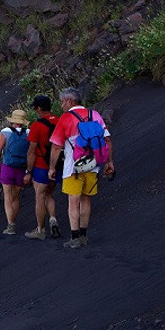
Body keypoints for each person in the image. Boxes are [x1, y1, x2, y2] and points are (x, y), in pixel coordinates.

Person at [48, 87, 115, 249]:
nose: (62, 105)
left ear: (70, 101)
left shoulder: (65, 119)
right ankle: (84, 235)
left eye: (63, 101)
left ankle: (75, 237)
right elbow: (107, 141)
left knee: (73, 202)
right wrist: (109, 162)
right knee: (86, 199)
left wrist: (51, 167)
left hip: (73, 167)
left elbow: (56, 147)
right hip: (93, 165)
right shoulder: (95, 115)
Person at [0, 109, 30, 235]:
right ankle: (13, 222)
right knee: (16, 198)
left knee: (7, 197)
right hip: (21, 168)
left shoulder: (5, 132)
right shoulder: (28, 132)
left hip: (7, 167)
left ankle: (10, 225)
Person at [23, 95, 62, 240]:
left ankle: (40, 229)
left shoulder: (36, 126)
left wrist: (29, 171)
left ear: (39, 108)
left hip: (41, 166)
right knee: (49, 194)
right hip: (57, 165)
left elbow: (31, 151)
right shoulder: (59, 121)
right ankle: (53, 219)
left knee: (40, 196)